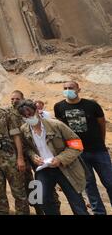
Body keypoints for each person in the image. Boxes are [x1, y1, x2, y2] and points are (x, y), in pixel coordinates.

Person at [18, 99, 89, 215]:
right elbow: (27, 148)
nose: (28, 117)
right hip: (43, 169)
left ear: (37, 111)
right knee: (42, 199)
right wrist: (33, 156)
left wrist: (60, 159)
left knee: (76, 200)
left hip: (65, 168)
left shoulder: (56, 125)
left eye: (30, 114)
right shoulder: (24, 130)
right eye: (25, 116)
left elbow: (77, 144)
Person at [54, 81, 112, 215]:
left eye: (71, 88)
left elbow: (101, 124)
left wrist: (101, 142)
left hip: (98, 150)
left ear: (78, 89)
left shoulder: (92, 105)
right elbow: (62, 129)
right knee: (89, 185)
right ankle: (99, 212)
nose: (68, 90)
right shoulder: (59, 107)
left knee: (109, 182)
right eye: (65, 88)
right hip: (77, 153)